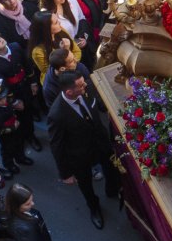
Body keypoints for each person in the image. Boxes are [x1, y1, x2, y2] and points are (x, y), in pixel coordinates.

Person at [47, 71, 120, 229]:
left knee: (111, 167)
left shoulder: (86, 90)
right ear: (69, 92)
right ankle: (94, 207)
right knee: (86, 184)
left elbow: (98, 103)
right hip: (79, 155)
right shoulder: (57, 114)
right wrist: (65, 174)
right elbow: (56, 145)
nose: (85, 85)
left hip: (100, 142)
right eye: (81, 85)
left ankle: (112, 190)